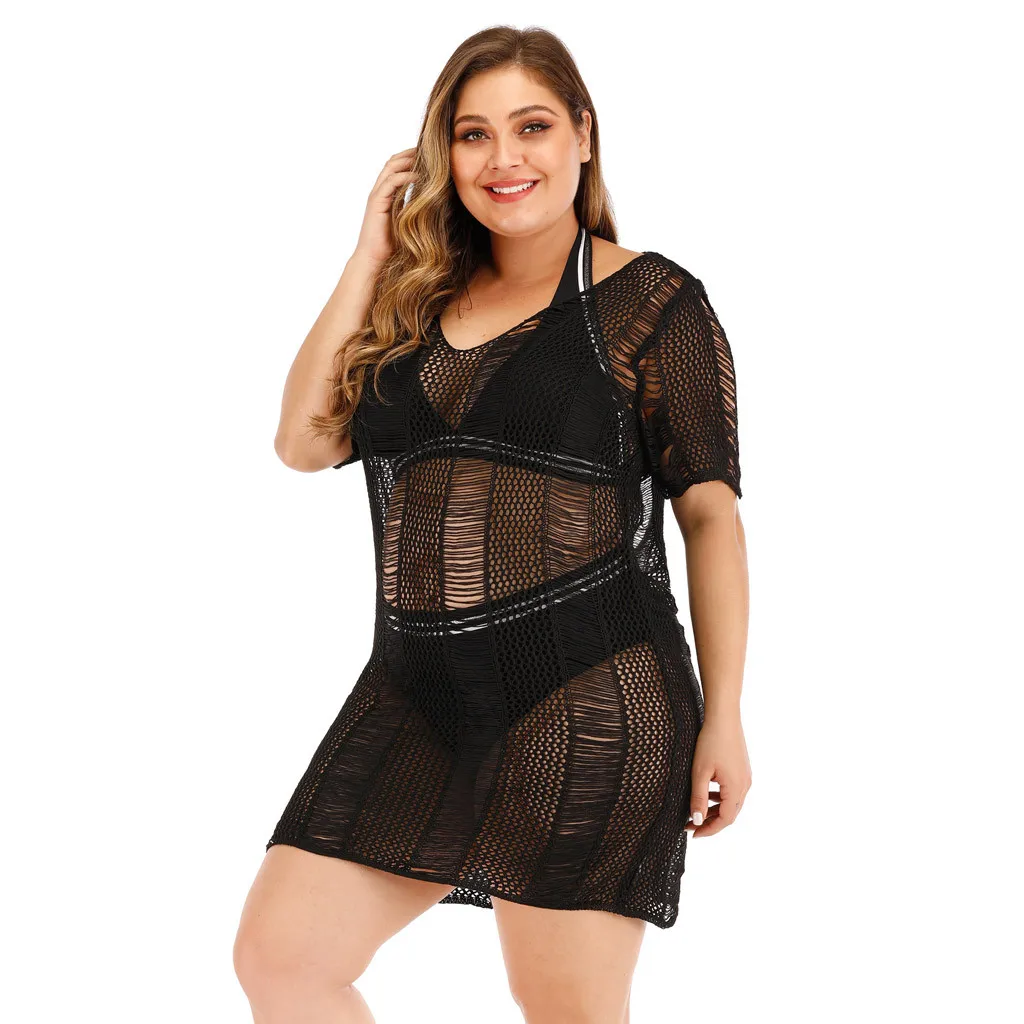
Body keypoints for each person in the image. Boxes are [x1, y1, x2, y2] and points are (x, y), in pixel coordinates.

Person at [233, 24, 751, 1024]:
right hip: (417, 696)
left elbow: (710, 518)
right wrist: (369, 255)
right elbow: (302, 441)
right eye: (473, 135)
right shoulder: (414, 300)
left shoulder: (653, 302)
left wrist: (723, 712)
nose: (503, 157)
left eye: (532, 126)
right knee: (282, 960)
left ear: (583, 135)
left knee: (561, 1005)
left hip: (588, 691)